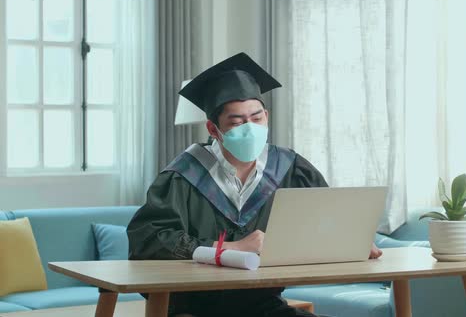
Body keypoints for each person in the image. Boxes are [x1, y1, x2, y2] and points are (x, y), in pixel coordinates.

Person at [127, 52, 382, 317]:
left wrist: (353, 240)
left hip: (262, 307)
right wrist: (229, 249)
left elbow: (327, 216)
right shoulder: (183, 175)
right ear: (214, 130)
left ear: (267, 116)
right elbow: (149, 243)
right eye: (237, 122)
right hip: (191, 309)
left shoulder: (290, 168)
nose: (250, 128)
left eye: (257, 118)